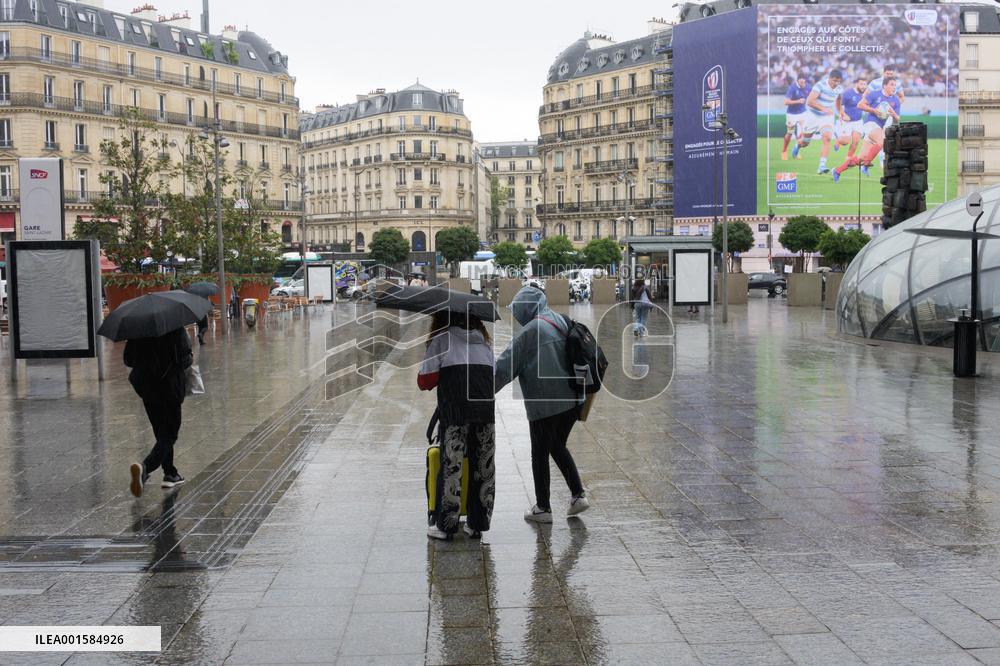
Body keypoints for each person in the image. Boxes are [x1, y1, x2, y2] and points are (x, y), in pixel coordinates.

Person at [495, 286, 589, 523]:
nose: (516, 315)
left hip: (545, 404)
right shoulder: (560, 319)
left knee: (540, 453)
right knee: (556, 445)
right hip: (572, 401)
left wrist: (480, 391)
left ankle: (543, 508)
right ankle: (578, 495)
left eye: (517, 310)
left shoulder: (531, 331)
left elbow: (504, 368)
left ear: (526, 308)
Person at [418, 310, 496, 540]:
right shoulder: (485, 345)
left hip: (455, 412)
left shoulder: (442, 340)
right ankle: (477, 524)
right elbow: (494, 376)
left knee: (452, 465)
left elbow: (425, 381)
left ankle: (446, 526)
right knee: (484, 466)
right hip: (484, 412)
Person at [125, 327, 193, 497]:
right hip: (170, 388)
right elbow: (185, 360)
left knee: (161, 433)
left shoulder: (138, 331)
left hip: (148, 388)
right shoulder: (175, 329)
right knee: (170, 434)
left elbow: (128, 359)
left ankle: (170, 473)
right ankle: (145, 468)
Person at [834, 77, 901, 180]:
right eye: (892, 84)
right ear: (884, 85)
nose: (894, 87)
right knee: (883, 140)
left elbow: (897, 120)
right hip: (870, 124)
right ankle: (867, 163)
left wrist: (894, 115)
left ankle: (838, 170)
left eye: (895, 85)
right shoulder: (875, 94)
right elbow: (860, 105)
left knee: (861, 158)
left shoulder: (895, 100)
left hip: (878, 128)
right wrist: (873, 110)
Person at [792, 69, 845, 174]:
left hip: (827, 117)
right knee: (805, 143)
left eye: (839, 81)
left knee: (827, 138)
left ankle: (822, 166)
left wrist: (840, 112)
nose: (836, 83)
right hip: (813, 116)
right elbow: (810, 101)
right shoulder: (820, 85)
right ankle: (798, 145)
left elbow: (838, 99)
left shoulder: (839, 88)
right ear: (829, 78)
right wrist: (824, 109)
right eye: (834, 80)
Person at [781, 74, 811, 161]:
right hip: (792, 114)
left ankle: (796, 149)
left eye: (804, 82)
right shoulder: (792, 88)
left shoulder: (808, 87)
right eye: (801, 82)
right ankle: (784, 151)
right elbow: (786, 102)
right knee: (790, 133)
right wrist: (798, 101)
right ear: (797, 81)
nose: (803, 83)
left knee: (805, 132)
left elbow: (813, 94)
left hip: (803, 113)